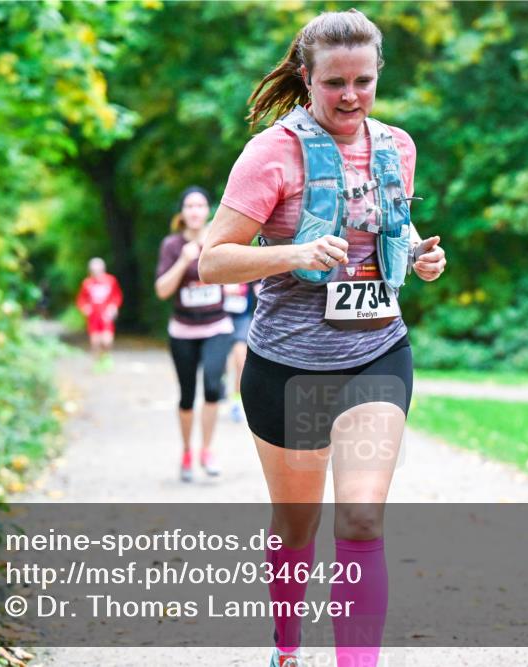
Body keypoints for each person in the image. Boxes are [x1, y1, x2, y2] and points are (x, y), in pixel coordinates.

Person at [198, 9, 446, 667]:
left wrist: (419, 253)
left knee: (362, 520)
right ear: (306, 77)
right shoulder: (270, 153)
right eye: (335, 81)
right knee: (297, 525)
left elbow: (390, 226)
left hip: (377, 353)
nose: (350, 96)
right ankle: (286, 647)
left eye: (363, 81)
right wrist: (292, 253)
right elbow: (212, 259)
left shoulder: (397, 146)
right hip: (289, 364)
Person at [155, 186, 234, 482]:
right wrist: (183, 260)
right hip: (183, 330)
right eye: (189, 206)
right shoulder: (172, 245)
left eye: (200, 205)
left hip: (217, 326)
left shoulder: (219, 242)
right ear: (182, 213)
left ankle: (207, 450)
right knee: (187, 395)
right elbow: (162, 291)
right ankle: (187, 451)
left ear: (208, 211)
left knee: (212, 388)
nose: (195, 211)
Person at [221, 280, 259, 422]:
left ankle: (237, 403)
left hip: (242, 319)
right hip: (221, 317)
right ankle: (221, 382)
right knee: (220, 361)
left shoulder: (251, 262)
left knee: (240, 360)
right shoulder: (221, 262)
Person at [76, 257, 123, 364]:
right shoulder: (87, 283)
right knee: (95, 341)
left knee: (107, 341)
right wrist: (85, 308)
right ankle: (96, 362)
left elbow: (117, 296)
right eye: (94, 271)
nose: (96, 273)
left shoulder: (111, 281)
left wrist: (113, 307)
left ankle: (106, 359)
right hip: (93, 316)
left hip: (106, 315)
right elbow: (81, 300)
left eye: (99, 270)